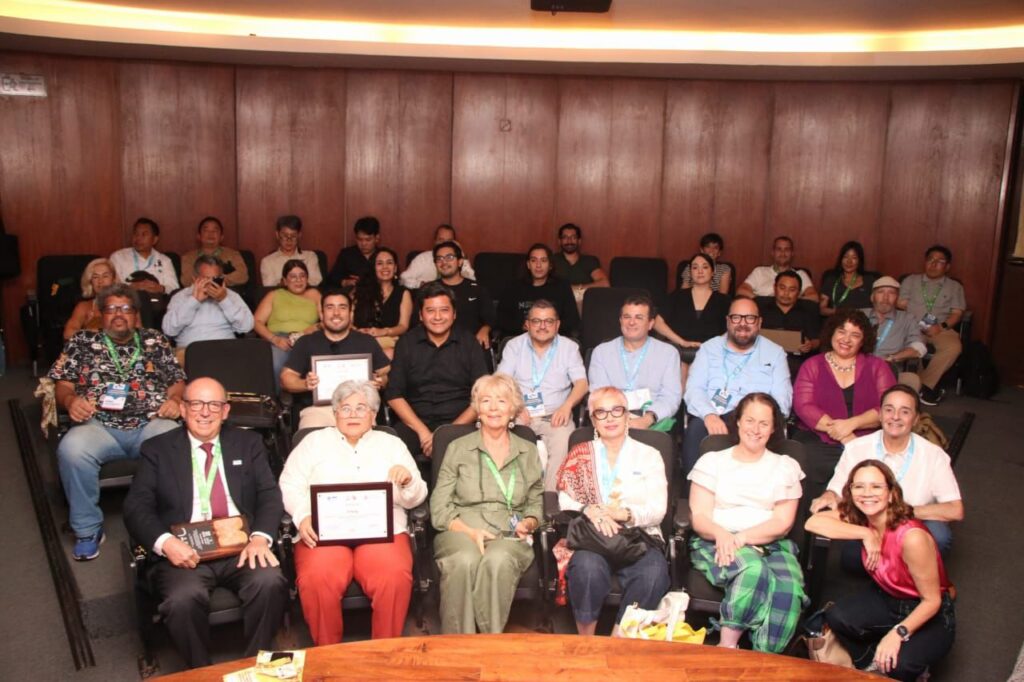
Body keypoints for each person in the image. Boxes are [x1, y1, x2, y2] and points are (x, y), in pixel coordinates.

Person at [123, 377, 288, 668]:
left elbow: (269, 494)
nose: (205, 412)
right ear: (183, 409)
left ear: (225, 411)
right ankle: (201, 671)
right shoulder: (157, 449)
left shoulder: (248, 443)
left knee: (269, 581)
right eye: (196, 404)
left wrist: (260, 537)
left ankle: (258, 667)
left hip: (241, 545)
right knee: (182, 599)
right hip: (186, 551)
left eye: (213, 405)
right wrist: (166, 543)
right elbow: (136, 507)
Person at [279, 381, 427, 645]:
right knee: (317, 578)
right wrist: (302, 515)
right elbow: (289, 484)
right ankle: (329, 655)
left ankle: (384, 651)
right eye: (345, 408)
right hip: (324, 530)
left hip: (382, 530)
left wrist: (407, 481)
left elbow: (417, 496)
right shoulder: (313, 442)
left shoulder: (391, 444)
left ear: (374, 414)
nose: (353, 414)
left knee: (393, 576)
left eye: (361, 408)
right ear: (335, 413)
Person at [49, 283, 184, 560]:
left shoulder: (154, 340)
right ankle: (87, 529)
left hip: (152, 420)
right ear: (100, 314)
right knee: (72, 449)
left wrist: (174, 400)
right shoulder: (81, 342)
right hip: (97, 424)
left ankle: (174, 521)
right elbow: (62, 386)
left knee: (176, 441)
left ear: (136, 314)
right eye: (111, 308)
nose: (119, 314)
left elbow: (177, 382)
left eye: (126, 308)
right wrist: (71, 401)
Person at [805, 461, 956, 679]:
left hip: (926, 609)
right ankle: (872, 662)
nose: (867, 493)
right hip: (887, 595)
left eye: (876, 486)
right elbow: (813, 523)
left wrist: (897, 633)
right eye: (859, 486)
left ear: (891, 494)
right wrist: (866, 534)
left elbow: (932, 601)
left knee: (899, 665)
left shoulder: (912, 537)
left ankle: (914, 666)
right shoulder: (863, 518)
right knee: (837, 617)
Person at [687, 392, 807, 652]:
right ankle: (726, 647)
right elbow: (700, 517)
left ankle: (764, 658)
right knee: (753, 569)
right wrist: (723, 535)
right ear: (738, 422)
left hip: (771, 544)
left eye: (764, 423)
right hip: (717, 540)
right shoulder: (713, 461)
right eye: (750, 420)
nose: (756, 429)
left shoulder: (785, 466)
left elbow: (783, 522)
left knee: (789, 591)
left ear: (773, 428)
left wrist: (742, 538)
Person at [430, 373, 544, 634]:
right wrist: (469, 532)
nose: (493, 408)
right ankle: (458, 643)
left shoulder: (528, 450)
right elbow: (439, 507)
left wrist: (529, 523)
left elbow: (535, 501)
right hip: (461, 529)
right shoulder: (457, 447)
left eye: (501, 401)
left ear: (513, 409)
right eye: (486, 401)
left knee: (498, 560)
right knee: (464, 560)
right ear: (477, 409)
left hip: (509, 531)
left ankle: (490, 641)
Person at [555, 387, 670, 636]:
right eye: (601, 412)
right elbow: (564, 498)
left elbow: (658, 509)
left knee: (653, 573)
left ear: (627, 414)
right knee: (586, 570)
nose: (610, 418)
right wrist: (589, 509)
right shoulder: (581, 453)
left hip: (638, 538)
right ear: (593, 419)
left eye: (616, 410)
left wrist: (623, 514)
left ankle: (619, 639)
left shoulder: (649, 455)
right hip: (593, 537)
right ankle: (587, 641)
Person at [809, 385, 963, 559]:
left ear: (916, 419)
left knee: (939, 536)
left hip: (912, 524)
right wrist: (829, 495)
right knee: (851, 558)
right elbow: (836, 489)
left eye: (905, 412)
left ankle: (912, 570)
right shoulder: (857, 448)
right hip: (868, 522)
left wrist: (899, 512)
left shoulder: (934, 455)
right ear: (880, 415)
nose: (895, 417)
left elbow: (954, 509)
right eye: (889, 410)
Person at [793, 308, 896, 505]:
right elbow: (803, 405)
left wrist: (852, 424)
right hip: (818, 437)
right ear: (832, 332)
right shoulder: (812, 365)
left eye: (855, 335)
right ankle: (812, 519)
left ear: (863, 340)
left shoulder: (878, 366)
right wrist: (843, 435)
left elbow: (888, 407)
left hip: (867, 437)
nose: (846, 339)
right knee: (808, 462)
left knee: (876, 466)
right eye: (842, 331)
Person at [682, 297, 791, 476]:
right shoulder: (709, 348)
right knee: (696, 429)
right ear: (728, 321)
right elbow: (694, 389)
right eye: (736, 317)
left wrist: (756, 421)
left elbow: (782, 399)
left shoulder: (775, 353)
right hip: (715, 414)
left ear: (759, 322)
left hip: (757, 418)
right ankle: (695, 487)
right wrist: (709, 415)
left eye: (750, 318)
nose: (743, 323)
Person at [385, 282, 489, 458]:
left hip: (461, 422)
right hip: (415, 422)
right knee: (393, 451)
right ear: (420, 315)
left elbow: (483, 395)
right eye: (430, 311)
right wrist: (423, 433)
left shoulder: (468, 342)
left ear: (454, 314)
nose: (438, 317)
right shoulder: (406, 343)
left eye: (444, 310)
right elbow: (394, 395)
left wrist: (446, 434)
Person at [497, 300, 588, 491]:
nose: (542, 326)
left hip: (556, 415)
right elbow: (501, 381)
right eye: (536, 321)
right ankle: (517, 497)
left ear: (557, 324)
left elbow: (582, 383)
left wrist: (567, 406)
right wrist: (516, 406)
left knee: (564, 443)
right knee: (504, 441)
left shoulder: (569, 347)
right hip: (520, 413)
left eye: (549, 321)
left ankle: (550, 498)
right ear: (527, 324)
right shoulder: (514, 346)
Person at [281, 289, 390, 429]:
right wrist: (305, 384)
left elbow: (386, 372)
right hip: (318, 411)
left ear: (350, 313)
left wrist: (380, 381)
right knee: (312, 435)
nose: (336, 313)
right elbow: (286, 378)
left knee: (367, 439)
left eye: (342, 307)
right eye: (330, 307)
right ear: (321, 314)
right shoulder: (306, 342)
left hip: (359, 409)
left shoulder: (367, 342)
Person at [588, 295, 682, 432]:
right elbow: (599, 395)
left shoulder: (668, 353)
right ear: (620, 321)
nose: (631, 322)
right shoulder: (601, 352)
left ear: (650, 324)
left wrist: (647, 419)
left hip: (651, 421)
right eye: (627, 317)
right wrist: (618, 419)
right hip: (610, 421)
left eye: (639, 317)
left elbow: (671, 397)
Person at [897, 245, 966, 406]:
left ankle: (924, 386)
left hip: (940, 328)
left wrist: (940, 327)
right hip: (912, 326)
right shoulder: (911, 281)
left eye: (940, 261)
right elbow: (900, 304)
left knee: (953, 347)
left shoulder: (954, 286)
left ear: (947, 266)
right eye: (930, 260)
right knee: (913, 345)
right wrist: (917, 320)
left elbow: (957, 313)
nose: (933, 264)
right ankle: (919, 388)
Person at [652, 252, 730, 390]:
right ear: (690, 272)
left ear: (712, 272)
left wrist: (711, 346)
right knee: (679, 368)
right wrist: (682, 342)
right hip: (678, 348)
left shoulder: (723, 300)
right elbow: (657, 323)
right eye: (695, 267)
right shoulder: (677, 296)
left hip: (711, 351)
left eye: (705, 267)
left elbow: (733, 328)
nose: (700, 271)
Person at [161, 255, 254, 362]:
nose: (211, 283)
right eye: (205, 279)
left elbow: (246, 327)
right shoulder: (180, 296)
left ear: (222, 278)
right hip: (189, 351)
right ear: (195, 278)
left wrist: (224, 300)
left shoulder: (231, 296)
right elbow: (169, 330)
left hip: (225, 350)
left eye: (215, 279)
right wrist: (194, 301)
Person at [253, 259, 322, 386]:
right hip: (280, 339)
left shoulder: (315, 294)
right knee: (276, 364)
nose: (298, 280)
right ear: (284, 280)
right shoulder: (274, 295)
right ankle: (278, 397)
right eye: (293, 276)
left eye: (302, 276)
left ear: (307, 279)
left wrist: (314, 328)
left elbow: (327, 318)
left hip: (307, 339)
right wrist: (275, 339)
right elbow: (256, 322)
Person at [498, 243, 580, 338]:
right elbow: (501, 318)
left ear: (550, 265)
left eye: (543, 260)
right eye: (534, 260)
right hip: (520, 338)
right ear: (528, 264)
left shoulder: (562, 286)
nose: (538, 265)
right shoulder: (513, 287)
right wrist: (522, 326)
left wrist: (548, 328)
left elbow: (572, 320)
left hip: (554, 338)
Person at [863, 277, 927, 392]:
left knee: (913, 380)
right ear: (872, 297)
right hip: (857, 369)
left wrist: (891, 358)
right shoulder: (859, 315)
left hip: (888, 371)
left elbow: (919, 348)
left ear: (897, 298)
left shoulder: (907, 319)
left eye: (891, 293)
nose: (885, 298)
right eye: (880, 292)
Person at [756, 269, 822, 376]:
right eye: (782, 288)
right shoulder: (759, 305)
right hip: (764, 360)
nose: (786, 294)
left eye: (792, 290)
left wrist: (810, 345)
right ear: (774, 288)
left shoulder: (809, 308)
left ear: (799, 292)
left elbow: (817, 340)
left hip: (797, 362)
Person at [433, 240, 495, 349]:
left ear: (460, 262)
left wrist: (485, 329)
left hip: (470, 345)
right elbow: (417, 322)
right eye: (439, 259)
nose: (444, 262)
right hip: (437, 345)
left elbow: (491, 318)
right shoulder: (429, 290)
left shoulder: (477, 289)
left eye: (449, 257)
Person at [352, 246, 413, 357]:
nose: (385, 267)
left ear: (395, 268)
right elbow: (348, 321)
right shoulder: (358, 291)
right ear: (373, 268)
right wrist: (358, 331)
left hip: (390, 344)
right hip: (360, 342)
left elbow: (403, 326)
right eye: (380, 263)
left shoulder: (403, 293)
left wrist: (384, 331)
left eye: (389, 263)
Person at [64, 257, 137, 339]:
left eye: (105, 276)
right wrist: (88, 330)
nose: (100, 281)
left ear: (113, 279)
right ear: (90, 281)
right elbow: (67, 334)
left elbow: (137, 333)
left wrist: (94, 332)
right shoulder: (84, 307)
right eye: (95, 277)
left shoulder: (128, 304)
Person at [109, 217, 180, 295]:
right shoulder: (118, 257)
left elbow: (174, 287)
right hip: (128, 299)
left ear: (155, 240)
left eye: (144, 234)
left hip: (157, 300)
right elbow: (112, 286)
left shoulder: (164, 260)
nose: (138, 238)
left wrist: (160, 288)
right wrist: (130, 287)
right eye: (136, 234)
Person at [736, 235, 816, 300]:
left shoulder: (801, 274)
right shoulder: (759, 271)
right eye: (779, 249)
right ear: (773, 253)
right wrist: (762, 301)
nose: (783, 253)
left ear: (792, 253)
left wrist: (791, 301)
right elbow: (741, 290)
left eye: (787, 250)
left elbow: (814, 297)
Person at [179, 216, 249, 287]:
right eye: (206, 230)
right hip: (197, 292)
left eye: (215, 231)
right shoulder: (188, 257)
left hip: (227, 291)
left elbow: (242, 276)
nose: (210, 234)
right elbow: (186, 280)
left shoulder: (233, 254)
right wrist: (217, 278)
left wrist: (215, 280)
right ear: (199, 236)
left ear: (221, 237)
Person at [400, 223, 476, 289]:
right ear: (435, 241)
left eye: (449, 241)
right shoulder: (422, 258)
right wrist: (422, 284)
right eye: (441, 240)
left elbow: (472, 279)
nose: (444, 243)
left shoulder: (458, 259)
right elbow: (403, 279)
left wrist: (461, 253)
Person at [551, 223, 609, 307]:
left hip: (584, 304)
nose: (569, 241)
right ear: (559, 241)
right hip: (557, 304)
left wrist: (577, 289)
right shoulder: (552, 260)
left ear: (579, 241)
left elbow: (605, 284)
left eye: (573, 237)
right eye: (565, 237)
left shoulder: (590, 260)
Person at [260, 215, 323, 287]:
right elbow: (269, 287)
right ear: (277, 235)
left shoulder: (310, 257)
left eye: (293, 236)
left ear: (299, 235)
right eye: (285, 235)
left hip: (306, 293)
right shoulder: (267, 262)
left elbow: (315, 281)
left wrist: (291, 283)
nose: (289, 240)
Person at [820, 241, 876, 316]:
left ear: (859, 261)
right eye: (846, 257)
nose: (849, 262)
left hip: (864, 320)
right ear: (841, 259)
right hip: (839, 319)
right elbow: (822, 310)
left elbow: (878, 307)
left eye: (854, 258)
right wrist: (840, 312)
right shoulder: (831, 280)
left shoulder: (869, 280)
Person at [328, 215, 380, 289]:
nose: (363, 244)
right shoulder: (347, 254)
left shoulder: (383, 255)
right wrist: (345, 282)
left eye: (368, 240)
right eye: (360, 239)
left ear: (377, 238)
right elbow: (332, 278)